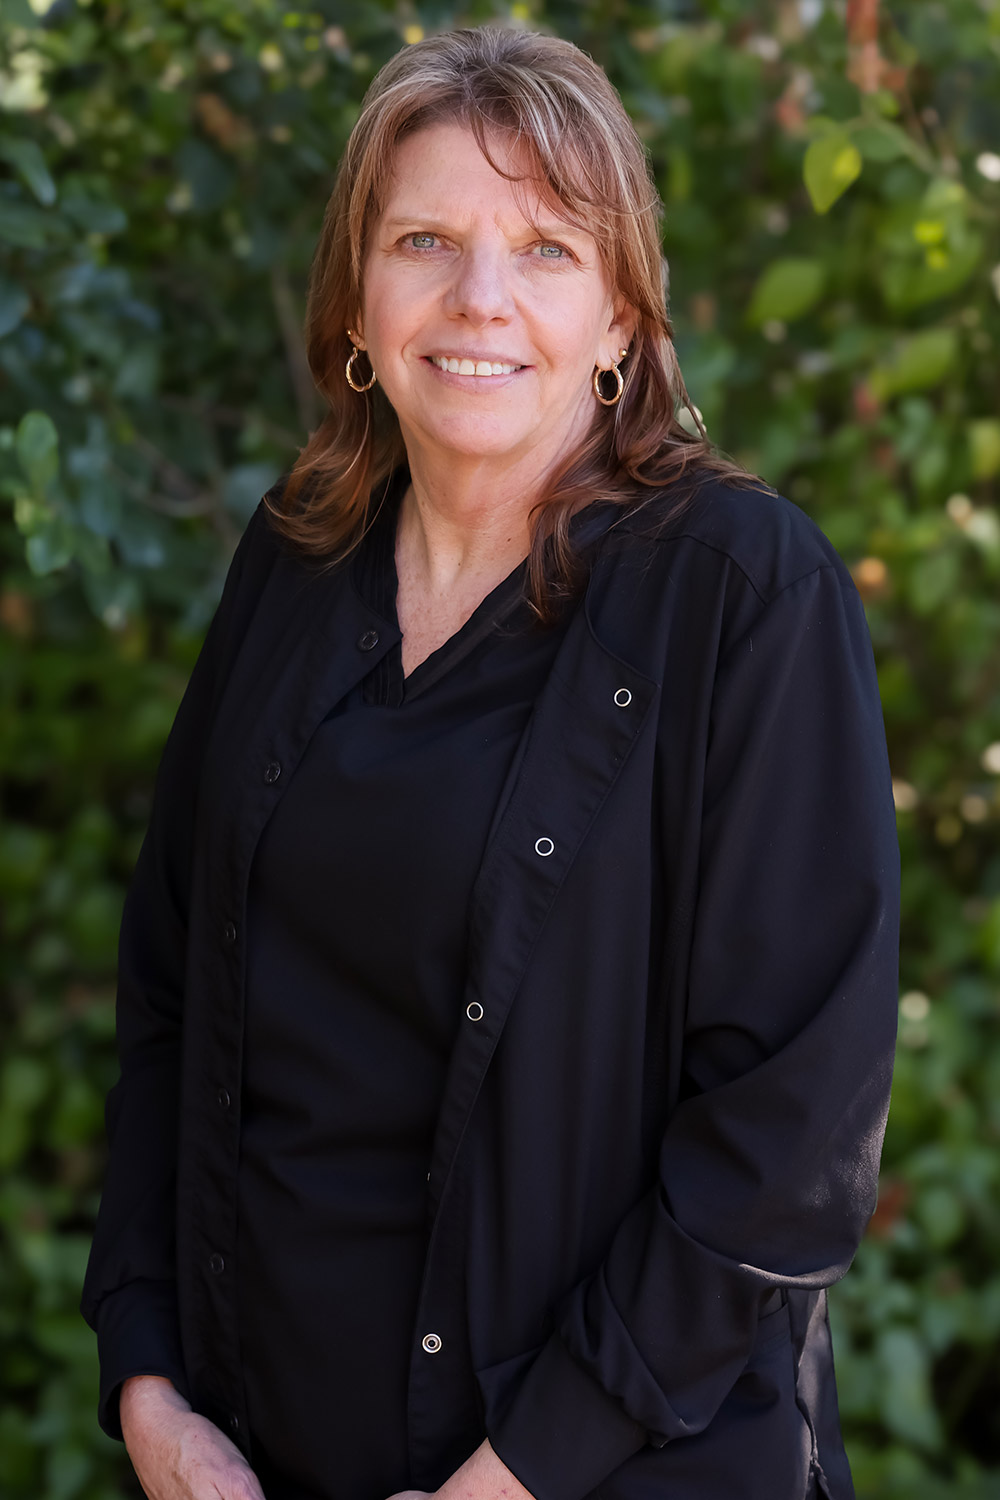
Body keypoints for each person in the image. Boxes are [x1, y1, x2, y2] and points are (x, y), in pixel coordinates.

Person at [81, 25, 900, 1500]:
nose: (479, 299)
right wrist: (149, 1381)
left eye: (544, 251)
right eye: (425, 241)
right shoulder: (295, 560)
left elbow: (787, 1142)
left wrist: (510, 1480)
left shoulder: (743, 597)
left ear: (621, 320)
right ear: (357, 299)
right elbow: (170, 993)